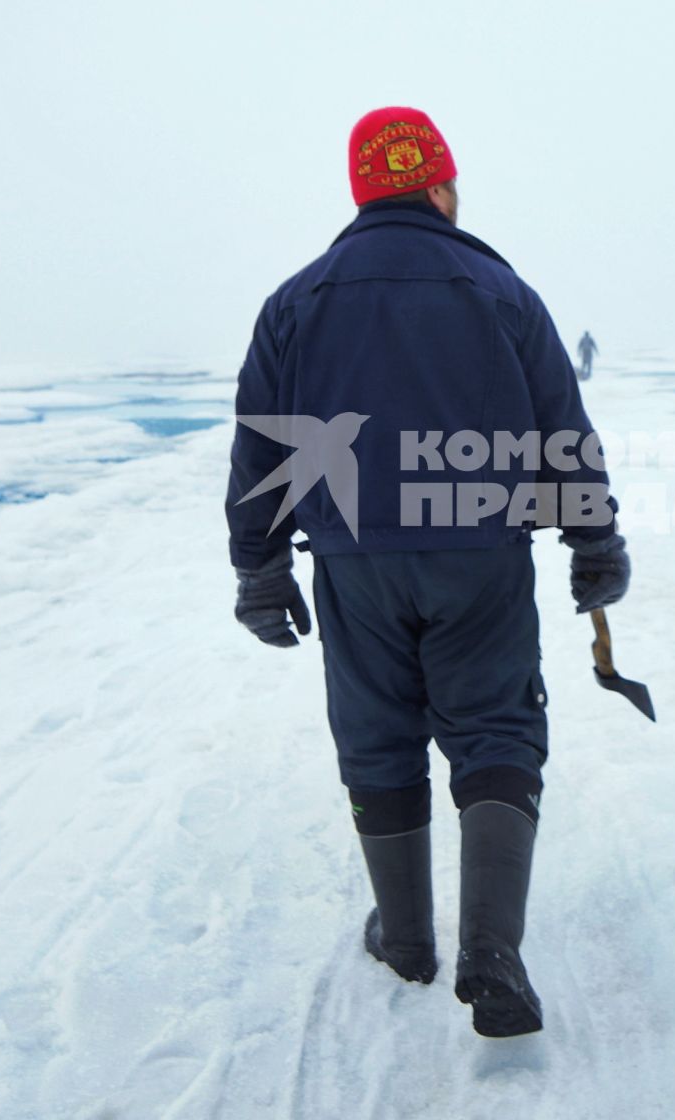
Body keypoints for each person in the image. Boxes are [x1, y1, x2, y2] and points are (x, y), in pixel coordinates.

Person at [224, 106, 631, 1038]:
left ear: (365, 193)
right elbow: (563, 432)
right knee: (493, 729)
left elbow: (261, 452)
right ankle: (493, 949)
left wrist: (259, 569)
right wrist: (593, 543)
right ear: (440, 187)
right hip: (479, 554)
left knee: (377, 734)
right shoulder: (502, 291)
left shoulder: (296, 301)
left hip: (353, 561)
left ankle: (406, 938)